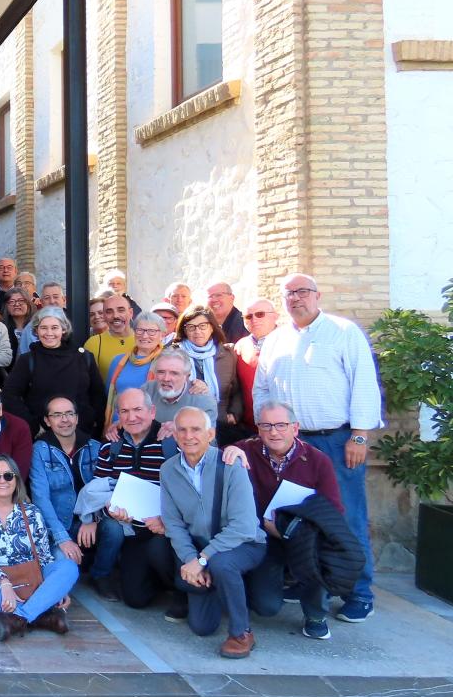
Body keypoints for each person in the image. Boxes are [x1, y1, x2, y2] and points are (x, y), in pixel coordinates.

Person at [252, 273, 383, 623]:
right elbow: (262, 389)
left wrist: (359, 436)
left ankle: (359, 592)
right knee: (294, 515)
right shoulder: (276, 339)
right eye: (289, 293)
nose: (296, 298)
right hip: (289, 444)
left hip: (336, 441)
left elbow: (364, 383)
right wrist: (266, 429)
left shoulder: (343, 332)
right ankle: (307, 581)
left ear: (317, 295)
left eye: (303, 291)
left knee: (346, 516)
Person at [224, 400, 346, 641]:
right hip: (264, 537)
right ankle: (278, 584)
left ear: (295, 428)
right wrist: (230, 451)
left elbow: (334, 511)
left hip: (303, 536)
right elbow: (215, 458)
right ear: (258, 429)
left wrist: (297, 529)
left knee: (317, 554)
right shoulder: (246, 450)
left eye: (281, 425)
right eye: (266, 425)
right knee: (266, 607)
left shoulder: (317, 461)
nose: (274, 432)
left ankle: (315, 615)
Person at [161, 407, 267, 658]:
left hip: (243, 544)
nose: (189, 436)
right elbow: (173, 524)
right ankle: (220, 587)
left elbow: (244, 526)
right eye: (182, 430)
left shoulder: (230, 464)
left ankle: (241, 632)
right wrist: (191, 560)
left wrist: (203, 559)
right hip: (202, 548)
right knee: (202, 627)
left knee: (222, 565)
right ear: (175, 435)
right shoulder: (168, 470)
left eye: (196, 429)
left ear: (210, 434)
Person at [0, 453, 78, 638]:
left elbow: (44, 555)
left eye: (8, 475)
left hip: (32, 583)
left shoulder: (31, 511)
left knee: (68, 567)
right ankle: (40, 614)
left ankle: (19, 617)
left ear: (16, 480)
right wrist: (3, 582)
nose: (2, 481)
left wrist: (57, 588)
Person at [94, 388, 183, 616]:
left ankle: (180, 589)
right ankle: (152, 577)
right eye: (124, 411)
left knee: (160, 553)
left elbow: (190, 489)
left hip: (164, 531)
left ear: (152, 411)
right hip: (131, 530)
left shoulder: (171, 442)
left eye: (137, 410)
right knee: (135, 599)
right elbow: (99, 489)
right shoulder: (111, 445)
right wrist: (109, 507)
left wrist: (166, 521)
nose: (131, 417)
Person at [29, 396, 101, 590]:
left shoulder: (94, 447)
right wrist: (62, 538)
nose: (64, 420)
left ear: (77, 418)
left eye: (69, 414)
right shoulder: (40, 450)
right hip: (59, 526)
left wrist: (93, 518)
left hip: (88, 524)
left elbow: (105, 490)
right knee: (64, 565)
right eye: (57, 415)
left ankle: (101, 575)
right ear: (47, 421)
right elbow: (41, 498)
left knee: (113, 529)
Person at [2, 307, 104, 436]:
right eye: (43, 328)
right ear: (36, 330)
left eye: (54, 327)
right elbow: (9, 396)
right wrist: (33, 425)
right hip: (43, 435)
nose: (49, 333)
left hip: (82, 433)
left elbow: (98, 395)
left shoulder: (84, 357)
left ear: (64, 329)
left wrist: (93, 422)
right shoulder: (28, 360)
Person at [175, 304, 245, 442]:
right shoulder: (173, 354)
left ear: (212, 327)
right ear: (184, 330)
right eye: (191, 327)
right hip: (184, 425)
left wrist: (234, 414)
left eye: (203, 326)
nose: (197, 331)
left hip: (220, 424)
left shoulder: (227, 354)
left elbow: (236, 389)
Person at [103, 311, 166, 427]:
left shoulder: (167, 361)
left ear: (162, 335)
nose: (145, 336)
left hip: (153, 427)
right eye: (140, 330)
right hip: (118, 427)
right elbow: (108, 394)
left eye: (152, 331)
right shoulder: (118, 361)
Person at [144, 347, 219, 434]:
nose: (166, 378)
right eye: (161, 372)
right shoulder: (147, 390)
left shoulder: (203, 401)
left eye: (174, 373)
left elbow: (207, 438)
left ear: (187, 376)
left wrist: (182, 427)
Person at [233, 298, 279, 429]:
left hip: (283, 426)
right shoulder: (240, 346)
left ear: (275, 316)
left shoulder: (290, 342)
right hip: (249, 425)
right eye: (248, 316)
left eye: (260, 314)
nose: (254, 319)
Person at [83, 291, 134, 380]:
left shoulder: (145, 339)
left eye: (121, 310)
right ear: (105, 316)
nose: (115, 316)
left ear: (131, 313)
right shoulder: (93, 344)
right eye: (109, 312)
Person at [0, 286, 36, 361]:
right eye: (12, 301)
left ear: (28, 304)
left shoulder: (37, 327)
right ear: (6, 306)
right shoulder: (0, 328)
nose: (17, 304)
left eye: (21, 300)